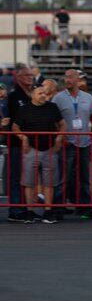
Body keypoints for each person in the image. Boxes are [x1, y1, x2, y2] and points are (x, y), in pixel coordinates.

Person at [11, 83, 65, 223]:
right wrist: (23, 138)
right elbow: (15, 127)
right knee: (28, 182)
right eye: (40, 93)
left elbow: (62, 124)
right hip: (31, 150)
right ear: (32, 95)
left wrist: (59, 138)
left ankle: (48, 211)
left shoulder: (52, 107)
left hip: (50, 149)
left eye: (44, 93)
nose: (43, 96)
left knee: (50, 182)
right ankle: (30, 211)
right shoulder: (24, 109)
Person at [51, 69, 92, 220]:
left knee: (84, 178)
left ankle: (84, 208)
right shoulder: (58, 98)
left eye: (71, 77)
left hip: (84, 143)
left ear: (78, 80)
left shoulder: (88, 98)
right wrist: (60, 136)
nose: (67, 80)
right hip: (67, 143)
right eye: (65, 77)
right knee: (64, 178)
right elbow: (53, 120)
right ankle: (58, 208)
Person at [6, 65, 35, 222]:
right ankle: (15, 209)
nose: (30, 77)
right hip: (17, 144)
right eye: (26, 75)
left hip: (34, 143)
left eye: (31, 75)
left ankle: (27, 208)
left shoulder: (35, 93)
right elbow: (8, 121)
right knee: (16, 176)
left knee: (29, 178)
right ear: (18, 77)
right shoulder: (12, 96)